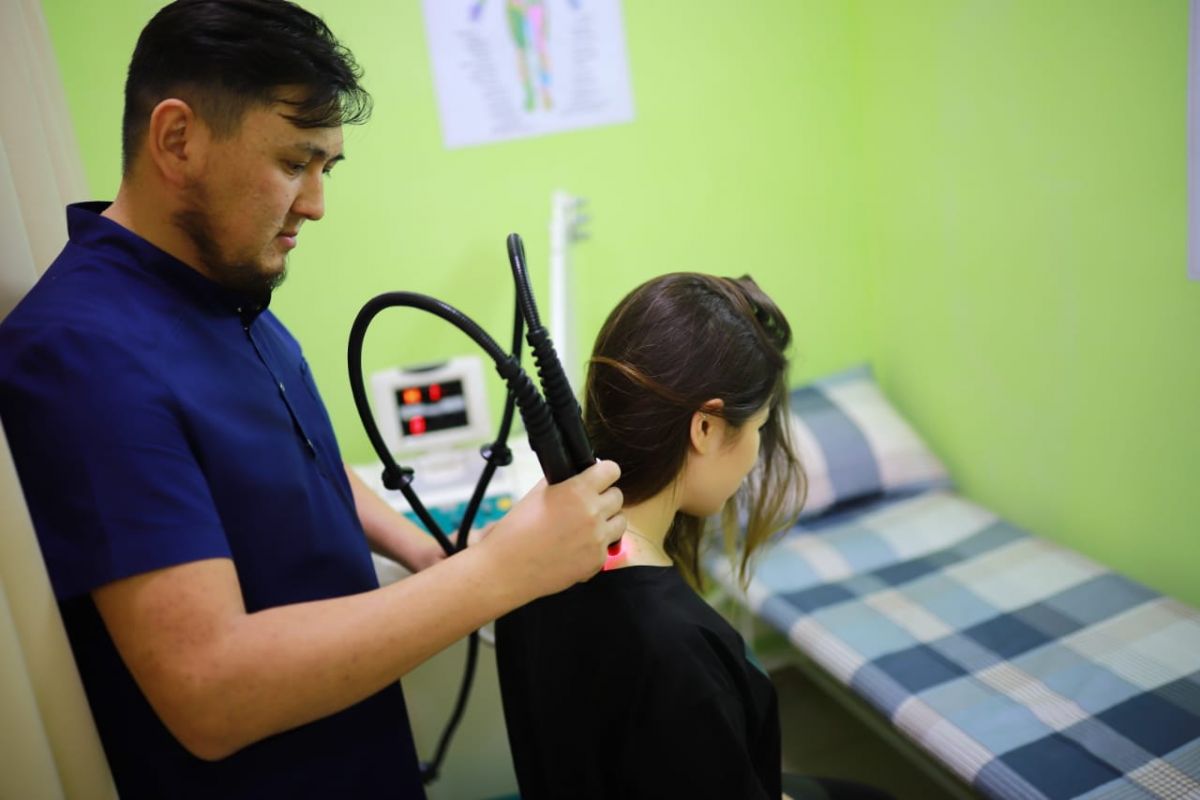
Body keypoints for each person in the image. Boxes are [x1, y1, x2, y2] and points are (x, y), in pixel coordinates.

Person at [0, 2, 623, 798]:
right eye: (295, 163)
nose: (317, 203)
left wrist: (423, 553)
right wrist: (497, 574)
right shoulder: (80, 355)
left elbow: (292, 464)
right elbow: (209, 689)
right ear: (178, 139)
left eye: (327, 168)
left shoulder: (225, 292)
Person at [495, 273, 893, 800]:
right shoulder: (676, 650)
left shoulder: (519, 565)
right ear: (705, 427)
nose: (755, 456)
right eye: (758, 428)